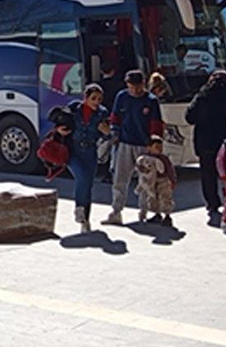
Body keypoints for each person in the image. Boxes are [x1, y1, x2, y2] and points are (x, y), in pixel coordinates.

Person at [185, 70, 226, 222]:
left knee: (208, 174)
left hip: (206, 142)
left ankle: (212, 203)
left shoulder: (203, 96)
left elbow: (189, 117)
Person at [102, 70, 164, 225]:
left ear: (144, 84)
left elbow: (156, 124)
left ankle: (145, 212)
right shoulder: (121, 97)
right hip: (124, 143)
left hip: (144, 146)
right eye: (132, 87)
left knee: (146, 182)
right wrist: (115, 135)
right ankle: (116, 211)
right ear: (127, 85)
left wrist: (154, 144)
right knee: (119, 178)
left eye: (138, 87)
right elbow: (115, 118)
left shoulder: (151, 101)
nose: (135, 91)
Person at [53, 83, 112, 233]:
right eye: (93, 98)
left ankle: (85, 219)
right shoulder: (74, 108)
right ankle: (79, 208)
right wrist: (59, 129)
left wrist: (106, 132)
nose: (96, 102)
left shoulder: (102, 113)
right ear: (85, 98)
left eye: (99, 99)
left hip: (90, 151)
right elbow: (60, 122)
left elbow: (108, 133)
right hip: (73, 151)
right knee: (82, 178)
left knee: (88, 185)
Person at [135, 135, 176, 226]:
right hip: (152, 182)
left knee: (165, 198)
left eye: (161, 147)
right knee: (153, 198)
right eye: (156, 147)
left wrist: (172, 180)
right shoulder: (145, 159)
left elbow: (170, 170)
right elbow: (140, 168)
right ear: (148, 148)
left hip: (163, 181)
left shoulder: (163, 159)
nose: (159, 149)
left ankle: (167, 216)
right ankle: (157, 214)